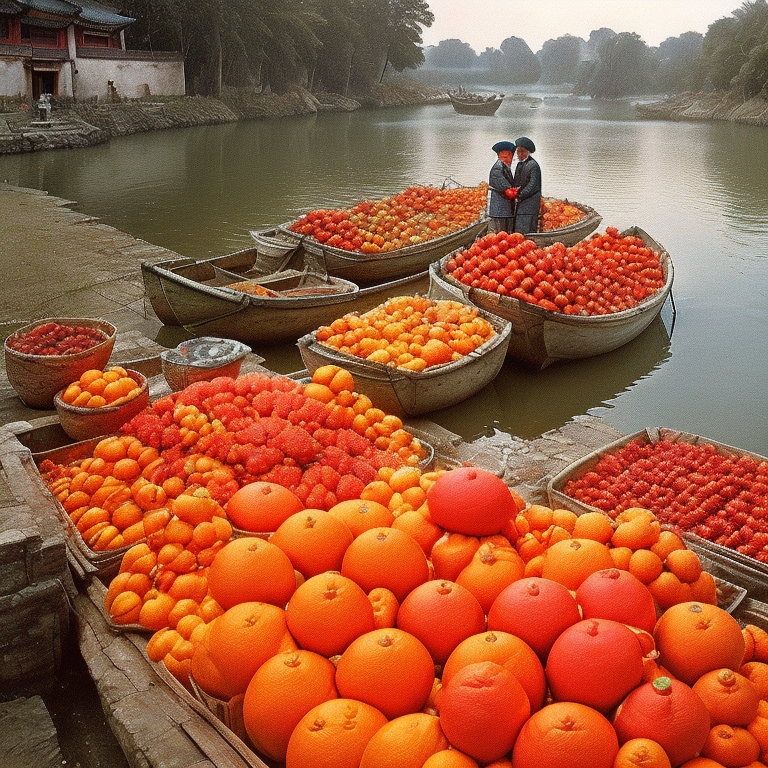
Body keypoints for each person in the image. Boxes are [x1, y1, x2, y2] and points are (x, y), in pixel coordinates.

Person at [510, 136, 542, 235]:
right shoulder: (520, 164)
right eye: (518, 152)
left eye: (522, 152)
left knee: (527, 226)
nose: (520, 154)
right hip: (521, 201)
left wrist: (519, 195)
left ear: (528, 152)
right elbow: (516, 181)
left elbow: (532, 185)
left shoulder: (533, 165)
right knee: (518, 226)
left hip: (530, 202)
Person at [488, 140, 518, 233]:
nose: (510, 158)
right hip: (499, 209)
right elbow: (506, 189)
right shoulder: (497, 168)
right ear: (501, 155)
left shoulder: (505, 167)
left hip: (505, 209)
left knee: (506, 233)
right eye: (507, 155)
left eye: (511, 155)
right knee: (500, 233)